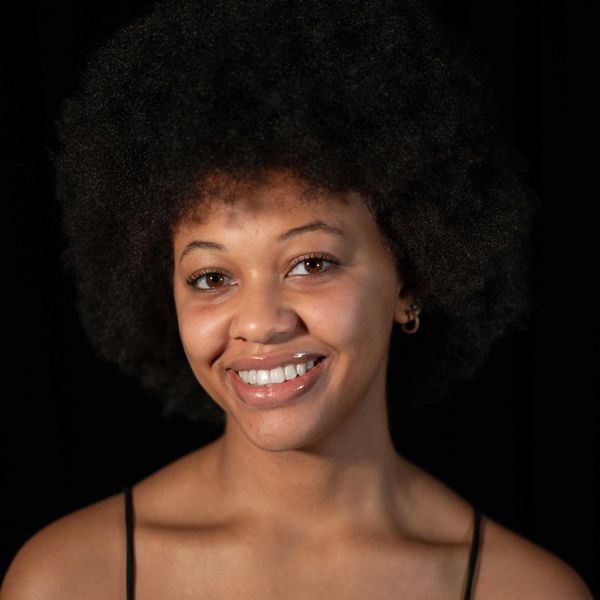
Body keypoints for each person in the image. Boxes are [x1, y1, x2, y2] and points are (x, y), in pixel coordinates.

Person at [1, 0, 592, 598]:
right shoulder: (70, 579)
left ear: (408, 280)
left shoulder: (524, 590)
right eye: (211, 278)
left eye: (312, 264)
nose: (261, 323)